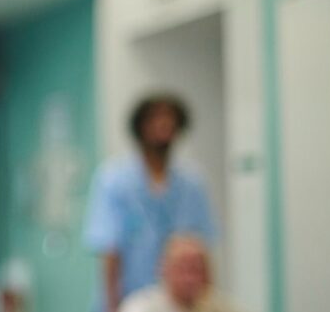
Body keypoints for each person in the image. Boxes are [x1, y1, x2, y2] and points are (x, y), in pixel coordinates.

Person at [83, 94, 217, 312]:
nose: (163, 124)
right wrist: (112, 307)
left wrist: (206, 304)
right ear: (140, 128)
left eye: (169, 118)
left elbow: (202, 251)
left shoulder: (192, 183)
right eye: (155, 118)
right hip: (127, 299)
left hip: (179, 303)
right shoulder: (114, 181)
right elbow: (110, 253)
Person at [118, 236, 243, 312]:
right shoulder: (140, 307)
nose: (190, 278)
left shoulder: (222, 307)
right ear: (164, 271)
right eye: (182, 269)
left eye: (196, 270)